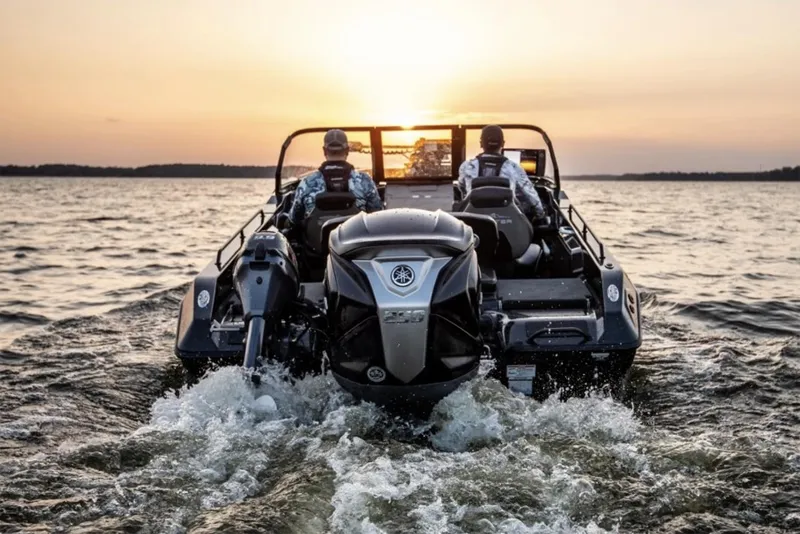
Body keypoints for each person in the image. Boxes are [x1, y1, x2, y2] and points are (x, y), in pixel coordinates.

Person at [288, 129, 383, 225]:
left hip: (315, 235)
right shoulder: (365, 181)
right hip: (355, 235)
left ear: (324, 151)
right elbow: (377, 216)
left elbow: (294, 220)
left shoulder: (307, 183)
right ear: (347, 150)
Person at [458, 125, 546, 221]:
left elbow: (462, 188)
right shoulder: (514, 168)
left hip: (475, 221)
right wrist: (541, 215)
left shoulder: (466, 167)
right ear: (503, 144)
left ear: (481, 144)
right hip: (508, 222)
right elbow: (531, 196)